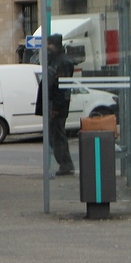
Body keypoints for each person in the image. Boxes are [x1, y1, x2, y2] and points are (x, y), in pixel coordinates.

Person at [46, 33, 76, 176]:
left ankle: (65, 164)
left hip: (58, 106)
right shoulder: (57, 59)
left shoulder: (63, 62)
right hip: (55, 104)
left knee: (58, 135)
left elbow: (62, 87)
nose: (47, 47)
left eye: (49, 44)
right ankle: (64, 163)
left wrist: (56, 107)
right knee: (56, 135)